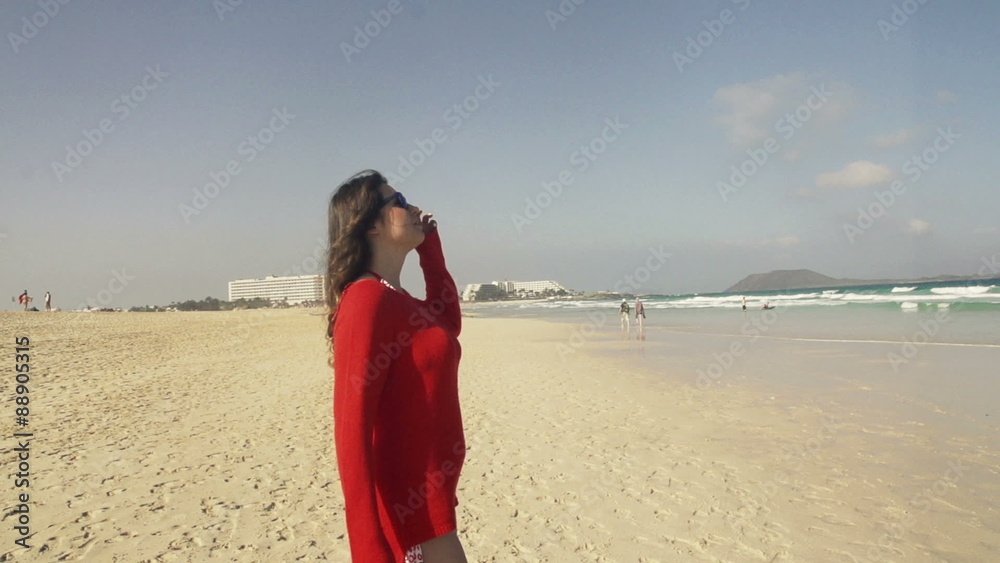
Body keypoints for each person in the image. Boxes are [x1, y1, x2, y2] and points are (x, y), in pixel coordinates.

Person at [325, 170, 468, 563]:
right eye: (400, 201)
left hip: (434, 504)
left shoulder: (396, 297)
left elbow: (447, 324)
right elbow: (350, 433)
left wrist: (431, 248)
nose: (414, 207)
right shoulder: (364, 301)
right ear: (370, 224)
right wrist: (368, 548)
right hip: (408, 517)